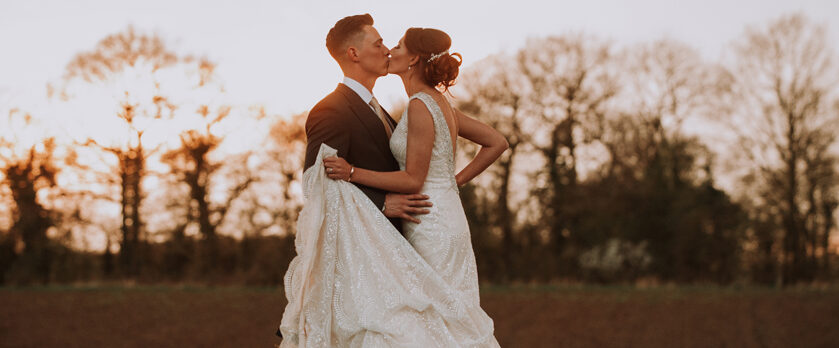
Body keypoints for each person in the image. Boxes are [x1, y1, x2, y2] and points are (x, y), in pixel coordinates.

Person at [278, 14, 503, 347]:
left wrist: (446, 184)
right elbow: (317, 184)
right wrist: (383, 203)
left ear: (414, 58)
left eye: (392, 44)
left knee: (433, 321)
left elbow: (412, 175)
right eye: (380, 43)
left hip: (423, 225)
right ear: (354, 53)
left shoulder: (398, 109)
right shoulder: (332, 110)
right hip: (389, 240)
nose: (386, 50)